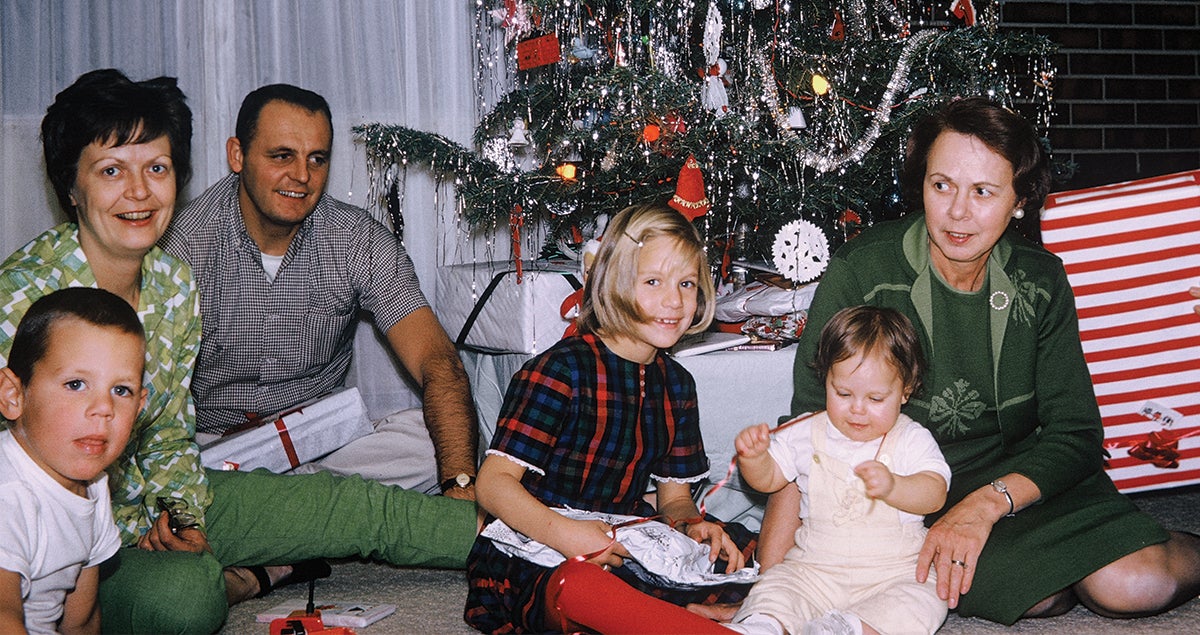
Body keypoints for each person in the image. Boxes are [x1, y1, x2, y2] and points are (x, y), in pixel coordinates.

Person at [0, 68, 476, 634]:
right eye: (111, 171)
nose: (139, 192)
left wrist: (180, 512)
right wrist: (140, 522)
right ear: (71, 187)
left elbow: (166, 430)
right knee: (186, 600)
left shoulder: (170, 283)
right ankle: (256, 573)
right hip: (72, 524)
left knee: (365, 497)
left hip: (192, 483)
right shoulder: (26, 295)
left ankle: (523, 540)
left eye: (157, 168)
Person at [753, 96, 1200, 627]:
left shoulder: (1041, 279)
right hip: (914, 503)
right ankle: (1069, 575)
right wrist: (768, 588)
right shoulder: (861, 271)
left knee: (1134, 584)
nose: (957, 212)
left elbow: (1075, 432)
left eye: (984, 192)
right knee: (1026, 596)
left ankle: (1160, 544)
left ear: (1020, 201)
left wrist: (988, 503)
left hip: (1026, 482)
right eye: (941, 185)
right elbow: (807, 433)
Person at [159, 83, 478, 499]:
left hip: (317, 446)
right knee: (154, 477)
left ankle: (272, 514)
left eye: (317, 159)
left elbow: (436, 361)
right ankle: (313, 513)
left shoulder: (358, 240)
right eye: (281, 156)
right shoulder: (182, 243)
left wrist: (458, 485)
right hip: (213, 447)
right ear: (237, 155)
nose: (302, 176)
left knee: (427, 443)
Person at [465, 203, 755, 634]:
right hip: (539, 542)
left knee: (744, 540)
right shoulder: (560, 370)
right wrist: (568, 537)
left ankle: (675, 616)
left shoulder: (677, 385)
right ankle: (684, 620)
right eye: (653, 281)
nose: (674, 301)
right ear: (616, 281)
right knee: (579, 587)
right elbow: (492, 485)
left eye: (687, 283)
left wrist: (692, 525)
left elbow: (673, 500)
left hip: (625, 532)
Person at [727, 305, 950, 635]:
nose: (857, 409)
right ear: (826, 379)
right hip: (813, 572)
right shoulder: (807, 431)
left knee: (925, 598)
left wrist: (894, 487)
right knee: (776, 589)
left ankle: (848, 629)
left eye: (876, 399)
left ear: (905, 391)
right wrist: (754, 458)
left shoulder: (911, 439)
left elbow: (935, 494)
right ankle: (764, 626)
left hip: (892, 574)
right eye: (843, 393)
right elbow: (769, 480)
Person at [0, 288, 145, 635]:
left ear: (140, 408)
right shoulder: (8, 495)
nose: (104, 408)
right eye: (76, 384)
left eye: (121, 390)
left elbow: (80, 620)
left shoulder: (93, 484)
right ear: (13, 396)